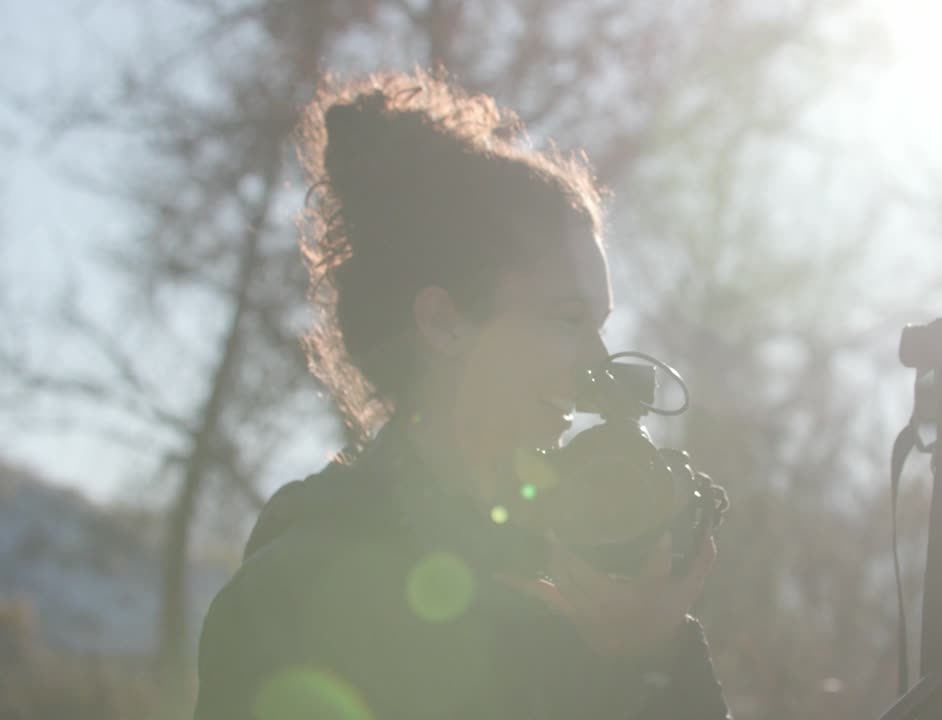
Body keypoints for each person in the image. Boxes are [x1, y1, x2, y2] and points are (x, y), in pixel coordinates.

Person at [192, 69, 730, 720]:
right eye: (566, 320)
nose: (598, 366)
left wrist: (645, 662)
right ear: (443, 322)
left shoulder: (586, 584)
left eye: (601, 327)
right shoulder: (297, 595)